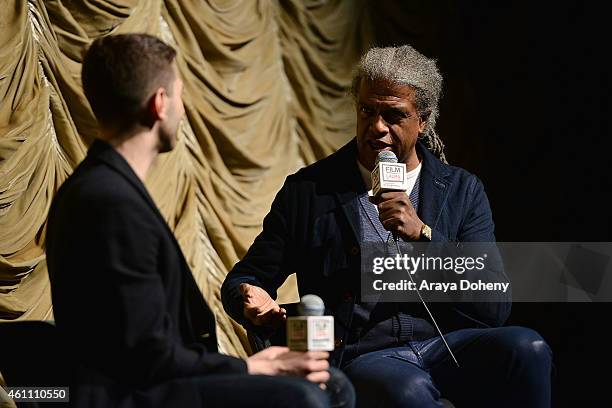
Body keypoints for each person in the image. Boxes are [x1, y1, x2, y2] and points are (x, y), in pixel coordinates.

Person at [222, 45, 552, 407]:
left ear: (423, 120)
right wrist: (248, 298)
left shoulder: (461, 189)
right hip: (366, 355)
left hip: (446, 345)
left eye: (394, 115)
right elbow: (245, 280)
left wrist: (423, 235)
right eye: (367, 111)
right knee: (403, 389)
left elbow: (493, 306)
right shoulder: (309, 191)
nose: (377, 127)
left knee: (527, 347)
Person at [45, 34, 354, 408]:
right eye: (179, 94)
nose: (183, 109)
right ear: (159, 104)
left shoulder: (101, 188)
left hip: (147, 381)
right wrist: (250, 369)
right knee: (314, 394)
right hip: (137, 396)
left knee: (332, 384)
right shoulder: (111, 203)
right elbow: (147, 355)